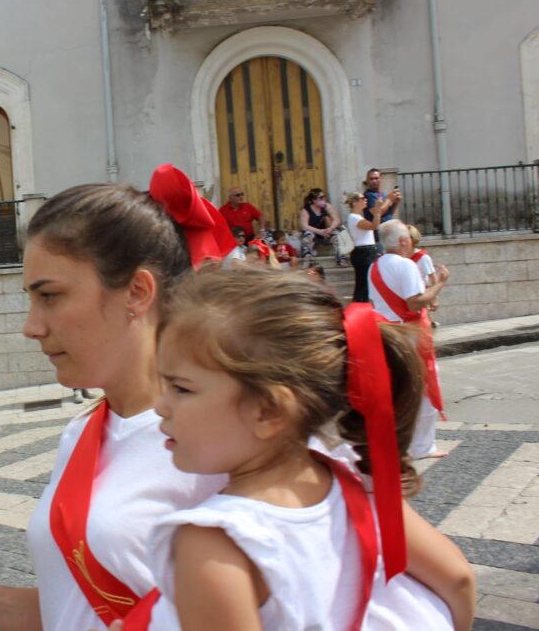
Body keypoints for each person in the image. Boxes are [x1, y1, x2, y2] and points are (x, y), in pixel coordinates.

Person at [0, 165, 236, 631]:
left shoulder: (224, 443)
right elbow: (96, 609)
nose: (32, 326)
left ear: (138, 291)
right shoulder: (83, 431)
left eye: (50, 296)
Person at [147, 267, 474, 631]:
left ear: (268, 410)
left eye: (181, 388)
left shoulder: (213, 545)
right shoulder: (353, 483)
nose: (160, 405)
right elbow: (458, 580)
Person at [369, 220, 451, 460]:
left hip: (387, 331)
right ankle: (422, 447)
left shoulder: (373, 266)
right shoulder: (405, 265)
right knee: (425, 386)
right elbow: (414, 302)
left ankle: (398, 441)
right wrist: (440, 285)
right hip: (410, 332)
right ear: (403, 241)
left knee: (398, 387)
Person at [345, 191, 384, 302]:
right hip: (363, 253)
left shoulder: (357, 216)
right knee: (363, 286)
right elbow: (374, 226)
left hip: (366, 252)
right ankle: (360, 308)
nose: (365, 199)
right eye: (363, 198)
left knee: (365, 285)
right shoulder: (354, 217)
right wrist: (377, 210)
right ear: (355, 202)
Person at [299, 188, 345, 267]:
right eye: (321, 198)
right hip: (314, 233)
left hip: (326, 233)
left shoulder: (326, 206)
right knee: (308, 234)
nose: (323, 199)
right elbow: (304, 226)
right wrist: (319, 231)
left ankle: (340, 258)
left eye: (324, 197)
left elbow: (337, 219)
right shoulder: (306, 210)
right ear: (314, 200)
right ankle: (308, 259)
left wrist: (330, 228)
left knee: (337, 234)